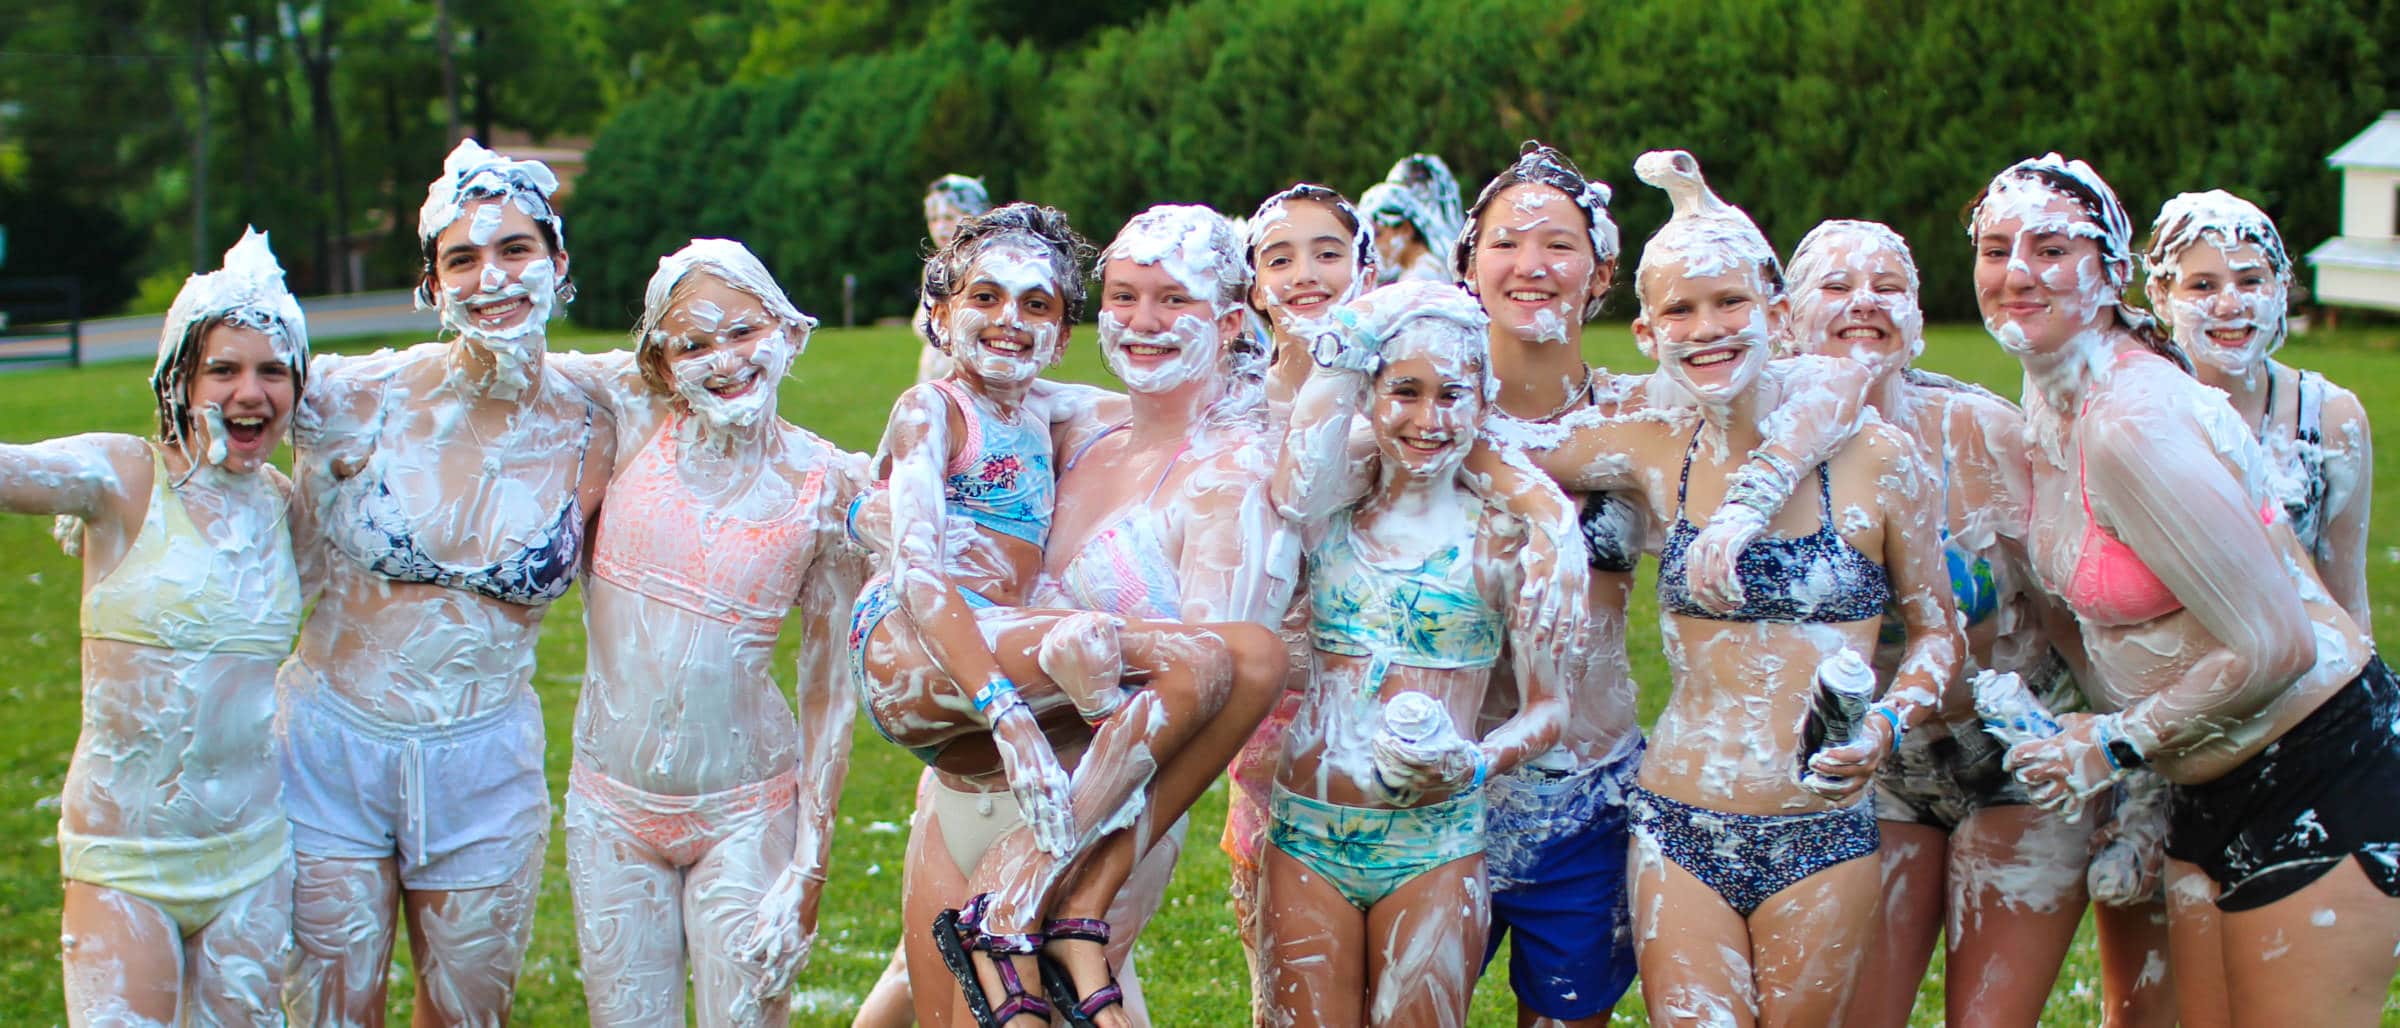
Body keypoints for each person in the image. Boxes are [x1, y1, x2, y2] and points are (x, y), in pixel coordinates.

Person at [1524, 151, 1961, 1025]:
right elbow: (1487, 440)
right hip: (1679, 819)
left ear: (1776, 313)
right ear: (1648, 334)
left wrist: (1883, 723)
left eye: (1729, 302)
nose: (1708, 327)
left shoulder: (1880, 461)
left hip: (1820, 829)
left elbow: (1938, 636)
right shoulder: (1654, 446)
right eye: (1680, 310)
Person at [1457, 141, 1875, 1028]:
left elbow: (1832, 379)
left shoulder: (1648, 414)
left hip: (1585, 782)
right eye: (1505, 241)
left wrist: (1703, 212)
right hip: (1439, 775)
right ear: (1468, 263)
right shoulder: (1426, 407)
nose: (1532, 264)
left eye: (1559, 244)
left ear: (1603, 271)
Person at [1977, 154, 2399, 1027]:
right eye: (1994, 248)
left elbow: (2279, 642)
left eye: (2051, 248)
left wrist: (2113, 742)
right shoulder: (2051, 400)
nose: (2018, 272)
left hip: (2317, 772)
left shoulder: (2129, 418)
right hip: (2202, 786)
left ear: (2110, 274)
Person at [852, 202, 1286, 1028]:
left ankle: (1044, 907)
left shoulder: (1234, 478)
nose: (1144, 321)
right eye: (1124, 295)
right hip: (965, 773)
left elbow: (1204, 701)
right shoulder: (1074, 416)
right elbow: (941, 431)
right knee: (928, 1006)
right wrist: (869, 512)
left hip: (1089, 816)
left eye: (1173, 300)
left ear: (1229, 321)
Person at [280, 138, 618, 1024]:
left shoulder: (607, 413)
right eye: (461, 258)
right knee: (329, 1010)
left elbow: (739, 370)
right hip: (329, 750)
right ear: (431, 286)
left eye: (515, 250)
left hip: (485, 762)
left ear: (558, 265)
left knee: (470, 1013)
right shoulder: (349, 395)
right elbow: (213, 399)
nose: (491, 277)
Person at [548, 240, 868, 1026]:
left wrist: (809, 869)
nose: (723, 360)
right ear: (661, 364)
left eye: (743, 332)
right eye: (693, 344)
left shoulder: (827, 486)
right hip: (609, 809)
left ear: (788, 331)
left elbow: (828, 688)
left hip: (745, 812)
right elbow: (512, 354)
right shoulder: (630, 417)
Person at [1783, 219, 2092, 1028]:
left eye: (1888, 288)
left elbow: (2073, 610)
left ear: (1918, 316)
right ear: (1785, 317)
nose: (1865, 304)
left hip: (2018, 757)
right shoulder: (1759, 456)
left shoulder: (1983, 432)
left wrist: (2121, 749)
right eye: (1837, 287)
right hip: (1875, 770)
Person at [0, 230, 306, 1025]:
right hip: (125, 863)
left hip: (253, 857)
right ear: (179, 379)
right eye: (224, 370)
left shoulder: (284, 504)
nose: (250, 392)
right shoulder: (121, 478)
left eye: (273, 371)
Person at [1261, 279, 1585, 1027]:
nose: (1427, 419)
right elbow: (1300, 473)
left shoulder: (1505, 542)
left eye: (1452, 395)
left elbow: (1548, 709)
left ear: (1483, 401)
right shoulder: (1328, 518)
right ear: (1370, 396)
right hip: (1306, 830)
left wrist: (1475, 762)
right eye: (1404, 391)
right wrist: (1360, 322)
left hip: (1435, 841)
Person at [1245, 184, 1379, 409]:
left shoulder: (1396, 407)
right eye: (1280, 261)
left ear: (1367, 278)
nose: (1304, 276)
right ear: (1255, 291)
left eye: (1328, 254)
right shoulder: (1237, 409)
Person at [918, 174, 997, 385]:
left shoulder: (985, 269)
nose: (940, 227)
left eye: (949, 217)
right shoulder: (933, 268)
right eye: (933, 219)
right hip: (933, 376)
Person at [1358, 153, 1464, 285]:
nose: (1375, 245)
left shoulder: (1422, 276)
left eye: (1378, 234)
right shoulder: (1419, 271)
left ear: (1406, 230)